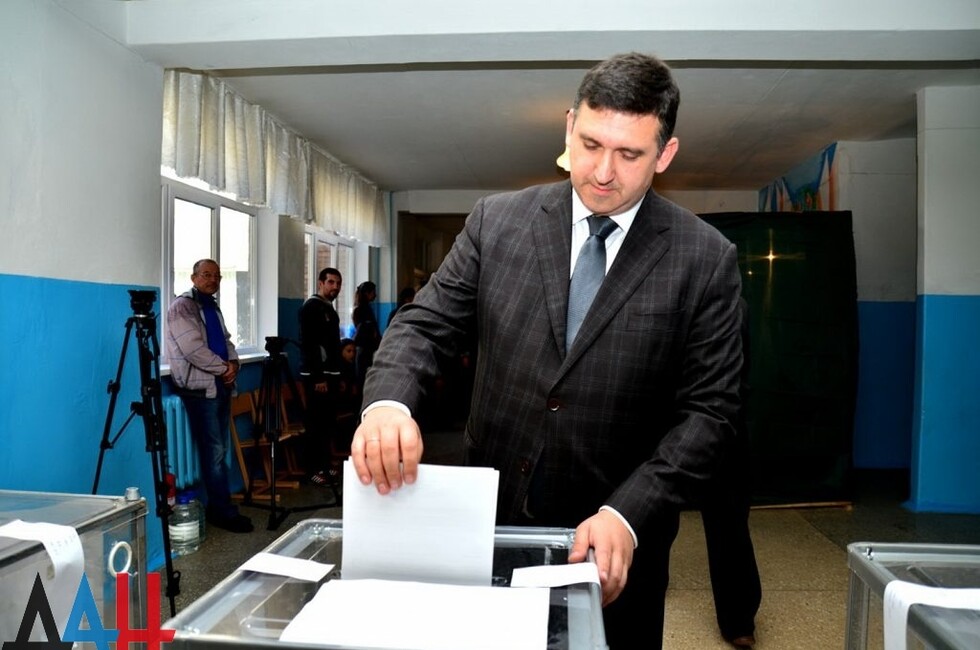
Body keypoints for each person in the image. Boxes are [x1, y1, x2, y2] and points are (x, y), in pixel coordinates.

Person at [351, 52, 743, 649]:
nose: (603, 172)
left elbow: (709, 413)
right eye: (589, 144)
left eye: (630, 154)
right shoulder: (496, 222)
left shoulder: (705, 258)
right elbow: (424, 325)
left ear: (665, 154)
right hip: (496, 521)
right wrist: (387, 406)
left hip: (618, 536)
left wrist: (628, 514)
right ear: (568, 126)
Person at [166, 259, 253, 533]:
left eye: (216, 276)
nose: (212, 280)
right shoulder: (183, 307)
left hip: (220, 385)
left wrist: (235, 364)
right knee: (214, 452)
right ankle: (223, 512)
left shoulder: (212, 306)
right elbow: (193, 349)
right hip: (200, 389)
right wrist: (224, 367)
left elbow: (226, 341)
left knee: (220, 451)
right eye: (206, 274)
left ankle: (219, 506)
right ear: (193, 277)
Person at [701, 298, 761, 647]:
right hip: (664, 419)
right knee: (646, 518)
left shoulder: (734, 305)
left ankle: (739, 619)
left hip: (723, 424)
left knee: (729, 521)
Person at [298, 267, 343, 486]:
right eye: (331, 282)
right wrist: (318, 378)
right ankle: (312, 470)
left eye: (338, 283)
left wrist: (338, 375)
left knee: (327, 424)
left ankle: (324, 465)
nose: (335, 287)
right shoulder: (312, 307)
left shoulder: (328, 309)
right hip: (318, 377)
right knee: (315, 424)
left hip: (331, 375)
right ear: (320, 283)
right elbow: (311, 345)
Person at [351, 281, 381, 390]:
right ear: (367, 293)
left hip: (365, 348)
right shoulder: (362, 310)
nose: (375, 295)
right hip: (365, 348)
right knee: (363, 379)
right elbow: (365, 330)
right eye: (373, 292)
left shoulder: (363, 308)